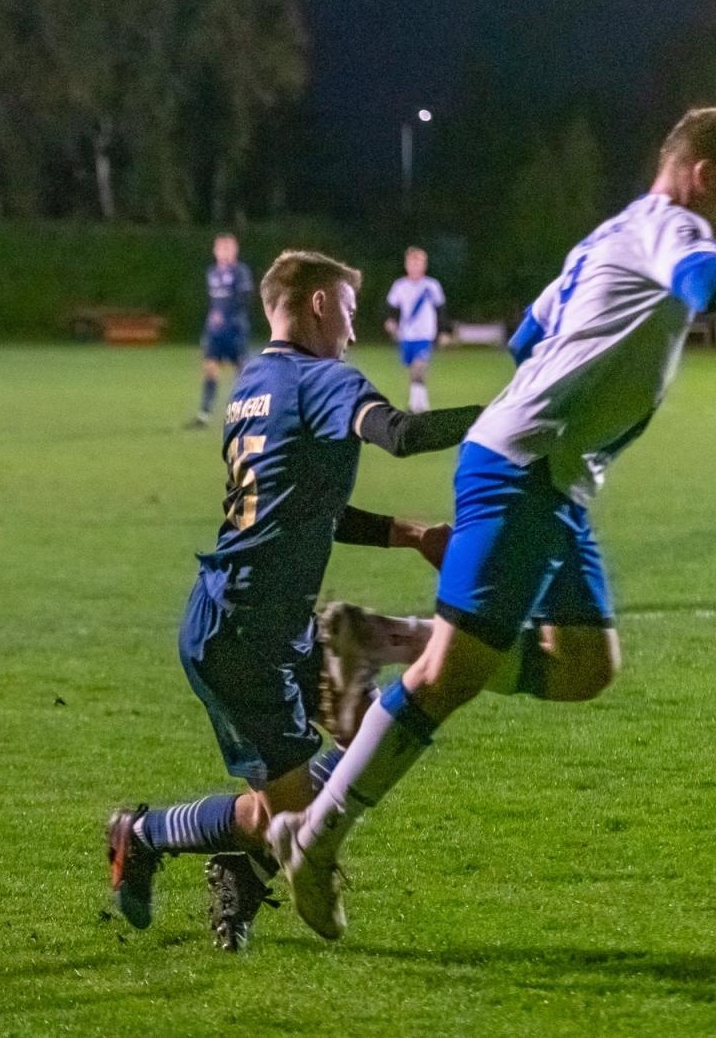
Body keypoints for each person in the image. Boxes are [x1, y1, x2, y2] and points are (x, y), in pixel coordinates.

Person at [267, 106, 716, 941]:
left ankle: (382, 640)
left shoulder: (609, 234)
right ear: (704, 172)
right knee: (450, 678)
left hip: (552, 474)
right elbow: (704, 286)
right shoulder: (670, 224)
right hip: (525, 467)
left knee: (587, 664)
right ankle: (314, 834)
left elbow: (527, 335)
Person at [108, 249, 483, 951]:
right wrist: (507, 415)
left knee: (369, 746)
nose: (352, 324)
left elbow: (306, 509)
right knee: (304, 820)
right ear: (315, 303)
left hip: (260, 619)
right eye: (345, 306)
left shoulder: (255, 384)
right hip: (245, 634)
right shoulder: (324, 379)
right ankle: (152, 835)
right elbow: (398, 433)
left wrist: (411, 535)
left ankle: (211, 855)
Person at [189, 234, 256, 427]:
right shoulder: (212, 272)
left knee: (242, 371)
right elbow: (214, 302)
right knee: (210, 369)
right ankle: (204, 415)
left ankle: (249, 414)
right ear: (215, 251)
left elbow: (244, 299)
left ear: (235, 251)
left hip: (235, 328)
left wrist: (226, 315)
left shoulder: (240, 272)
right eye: (221, 249)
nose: (224, 253)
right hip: (215, 331)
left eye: (228, 249)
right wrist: (211, 320)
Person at [384, 247, 447, 413]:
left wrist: (442, 332)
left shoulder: (431, 285)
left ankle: (419, 406)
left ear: (424, 265)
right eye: (412, 262)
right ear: (406, 265)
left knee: (420, 366)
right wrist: (391, 321)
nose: (415, 266)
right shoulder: (400, 286)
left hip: (425, 333)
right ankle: (416, 403)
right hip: (407, 334)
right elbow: (391, 307)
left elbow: (440, 309)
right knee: (413, 369)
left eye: (418, 263)